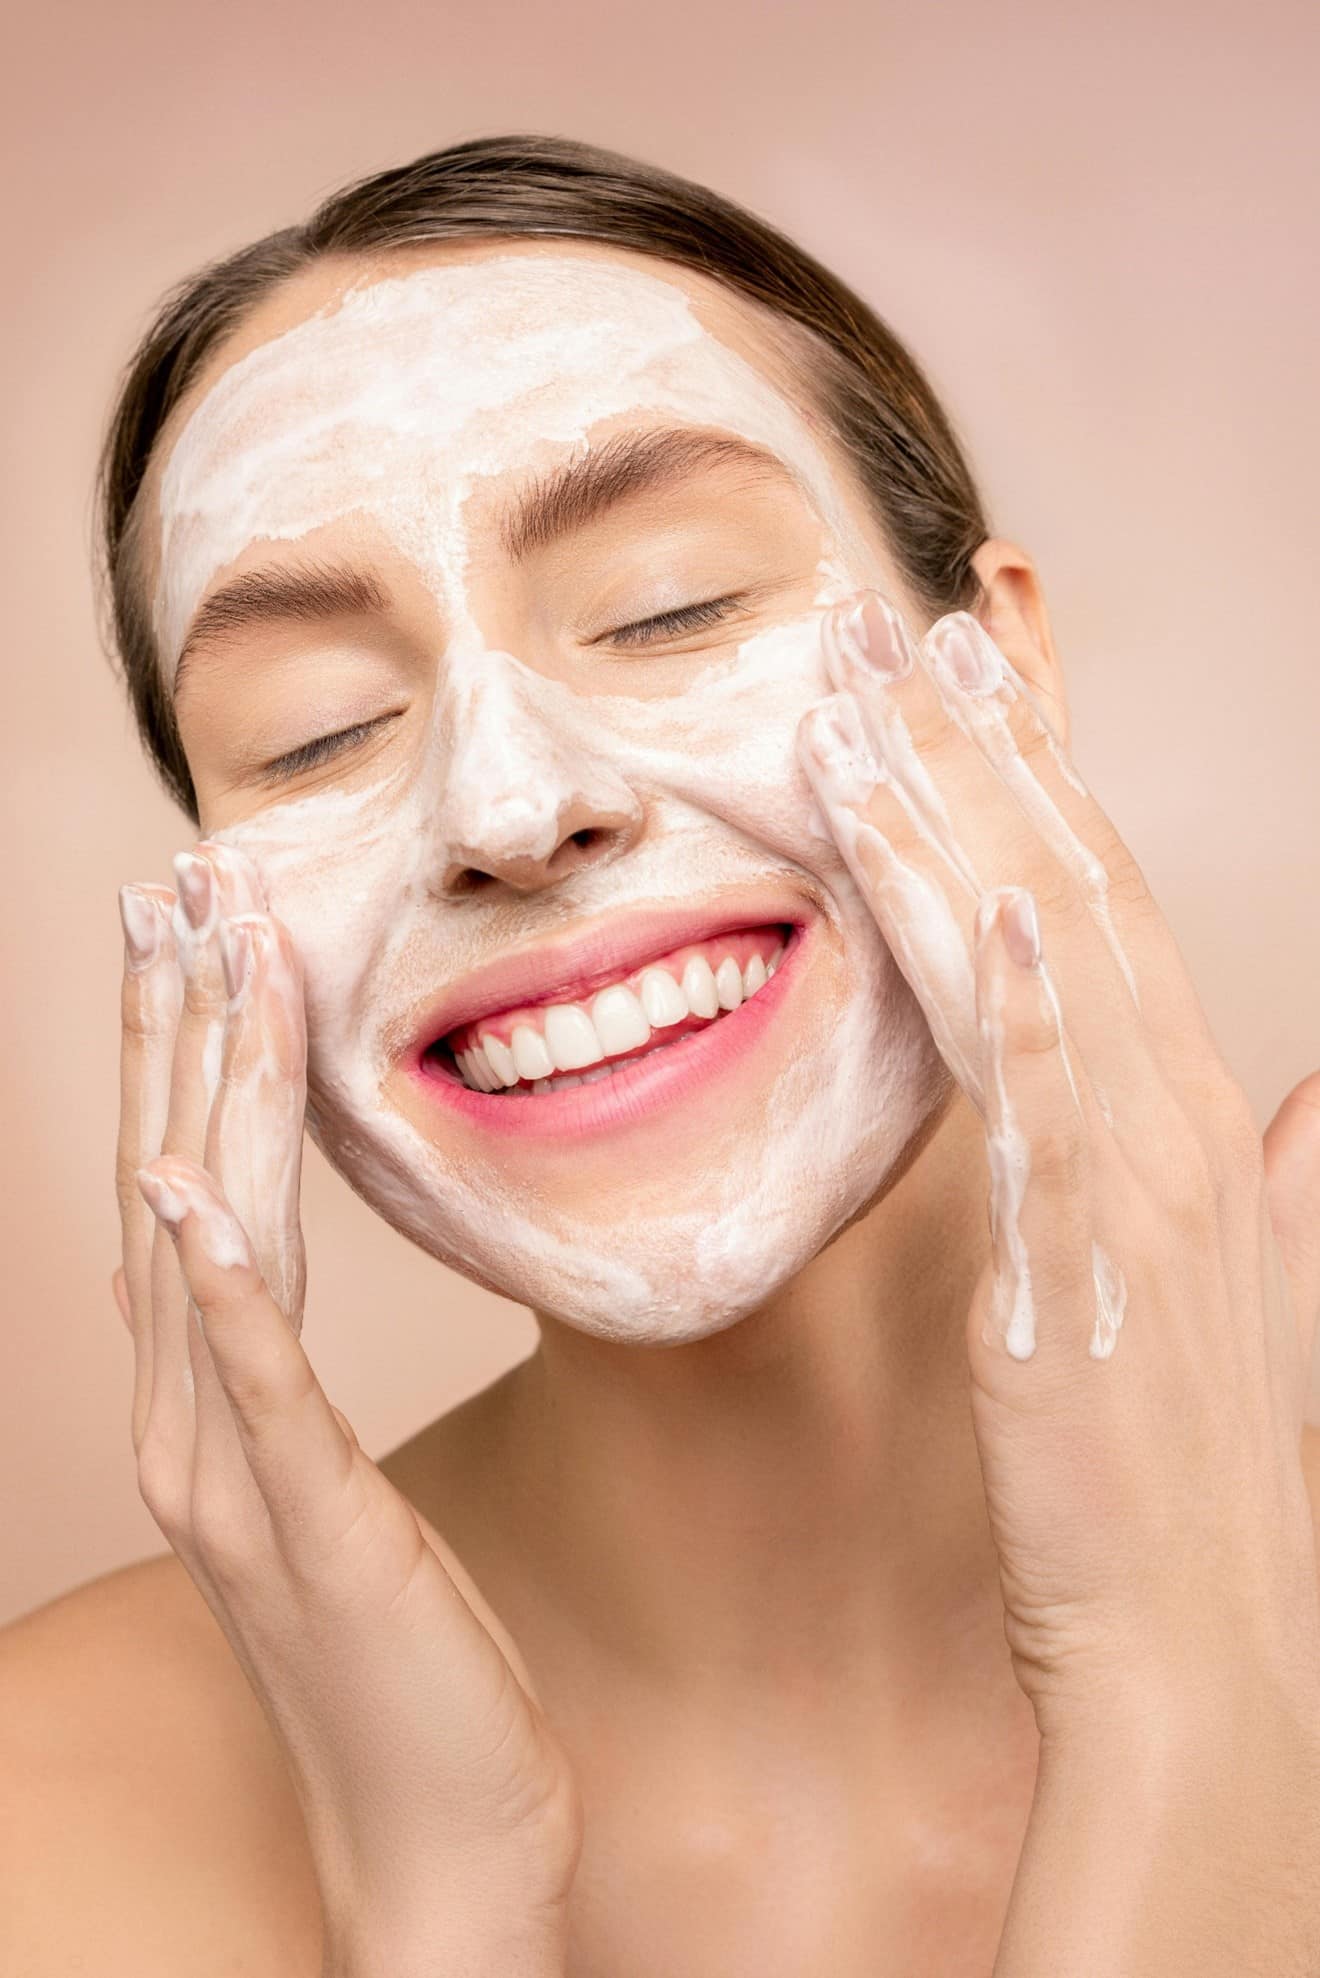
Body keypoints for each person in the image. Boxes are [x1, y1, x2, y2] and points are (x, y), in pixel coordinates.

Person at [3, 133, 1319, 1976]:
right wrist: (445, 1900)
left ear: (998, 672)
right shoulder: (44, 1818)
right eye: (315, 734)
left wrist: (1188, 1673)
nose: (513, 805)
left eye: (672, 605)